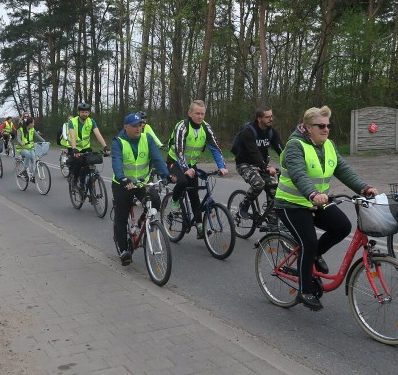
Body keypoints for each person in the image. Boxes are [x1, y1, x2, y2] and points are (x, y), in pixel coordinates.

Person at [275, 106, 377, 311]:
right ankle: (304, 290)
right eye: (321, 126)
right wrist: (312, 194)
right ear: (307, 127)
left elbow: (343, 169)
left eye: (328, 126)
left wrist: (363, 187)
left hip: (316, 202)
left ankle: (313, 255)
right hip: (291, 204)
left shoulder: (328, 145)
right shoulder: (295, 146)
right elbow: (298, 174)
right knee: (309, 241)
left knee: (342, 226)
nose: (326, 129)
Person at [112, 113, 172, 266]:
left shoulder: (147, 138)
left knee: (156, 203)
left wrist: (166, 175)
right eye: (134, 125)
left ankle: (142, 223)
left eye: (140, 125)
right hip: (123, 184)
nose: (138, 128)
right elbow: (117, 162)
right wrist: (122, 178)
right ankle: (124, 250)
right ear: (126, 127)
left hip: (142, 184)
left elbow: (157, 158)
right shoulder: (118, 142)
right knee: (121, 215)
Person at [166, 100, 228, 238]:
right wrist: (185, 168)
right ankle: (175, 201)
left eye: (202, 114)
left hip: (191, 164)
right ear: (190, 113)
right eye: (197, 113)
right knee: (182, 182)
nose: (200, 116)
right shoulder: (182, 126)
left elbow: (215, 148)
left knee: (194, 194)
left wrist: (222, 167)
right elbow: (179, 150)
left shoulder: (206, 128)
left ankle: (200, 226)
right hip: (174, 162)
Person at [235, 106, 285, 220]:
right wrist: (266, 167)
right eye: (267, 117)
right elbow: (254, 152)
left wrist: (290, 164)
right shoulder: (248, 131)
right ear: (259, 119)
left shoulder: (271, 131)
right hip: (245, 164)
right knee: (259, 184)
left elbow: (281, 150)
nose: (271, 119)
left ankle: (272, 222)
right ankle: (244, 204)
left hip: (262, 164)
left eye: (272, 116)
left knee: (275, 189)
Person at [68, 103, 110, 188]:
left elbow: (98, 134)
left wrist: (105, 146)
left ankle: (85, 185)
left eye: (86, 112)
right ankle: (75, 180)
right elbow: (72, 136)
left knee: (88, 165)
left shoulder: (91, 121)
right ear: (78, 112)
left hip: (86, 147)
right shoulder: (72, 122)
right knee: (78, 161)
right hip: (74, 148)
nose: (85, 114)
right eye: (82, 112)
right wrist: (74, 149)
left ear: (89, 113)